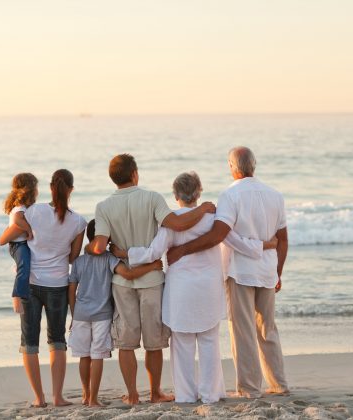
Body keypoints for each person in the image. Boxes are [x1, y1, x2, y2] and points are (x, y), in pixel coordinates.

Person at [112, 172, 277, 403]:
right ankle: (211, 394)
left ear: (175, 194)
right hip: (208, 287)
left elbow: (152, 253)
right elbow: (236, 242)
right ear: (199, 192)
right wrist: (266, 246)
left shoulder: (170, 223)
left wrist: (124, 253)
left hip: (181, 289)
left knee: (182, 345)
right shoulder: (212, 218)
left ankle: (186, 395)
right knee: (209, 342)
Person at [86, 154, 215, 405]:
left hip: (122, 282)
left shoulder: (103, 207)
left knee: (126, 341)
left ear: (113, 178)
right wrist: (203, 208)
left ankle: (133, 395)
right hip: (152, 279)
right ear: (135, 174)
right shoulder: (152, 198)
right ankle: (155, 393)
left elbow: (100, 246)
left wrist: (92, 250)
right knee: (153, 341)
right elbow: (176, 224)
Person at [166, 147, 289, 398]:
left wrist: (183, 250)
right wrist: (278, 272)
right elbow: (283, 239)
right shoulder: (275, 195)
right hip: (266, 271)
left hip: (240, 271)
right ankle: (279, 384)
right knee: (268, 329)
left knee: (242, 330)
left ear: (233, 167)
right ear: (253, 165)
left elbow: (219, 234)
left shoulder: (230, 196)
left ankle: (249, 388)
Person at [0, 169, 87, 408]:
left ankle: (39, 398)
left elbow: (11, 235)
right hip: (58, 284)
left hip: (31, 284)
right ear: (70, 190)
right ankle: (58, 397)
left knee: (29, 342)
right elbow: (72, 257)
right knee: (57, 340)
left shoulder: (33, 211)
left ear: (50, 187)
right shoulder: (79, 222)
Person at [68, 219, 164, 407]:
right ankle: (94, 400)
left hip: (80, 315)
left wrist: (73, 313)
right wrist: (152, 267)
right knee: (97, 356)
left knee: (84, 356)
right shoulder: (110, 259)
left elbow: (71, 289)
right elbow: (128, 274)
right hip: (102, 315)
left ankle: (86, 395)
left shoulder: (78, 262)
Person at [0, 173, 38, 314]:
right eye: (36, 186)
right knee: (24, 267)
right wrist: (29, 230)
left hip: (21, 244)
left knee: (24, 267)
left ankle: (22, 294)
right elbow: (17, 219)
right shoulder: (20, 208)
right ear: (30, 189)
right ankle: (17, 296)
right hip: (18, 245)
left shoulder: (24, 207)